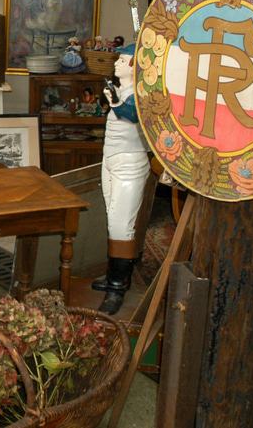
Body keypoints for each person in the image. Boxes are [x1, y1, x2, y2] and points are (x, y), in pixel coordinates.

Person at [93, 44, 150, 314]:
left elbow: (135, 116)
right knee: (112, 217)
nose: (116, 63)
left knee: (121, 225)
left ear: (135, 66)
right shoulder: (121, 89)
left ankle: (118, 286)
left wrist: (114, 101)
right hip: (111, 159)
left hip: (130, 162)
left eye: (123, 60)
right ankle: (114, 274)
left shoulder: (142, 92)